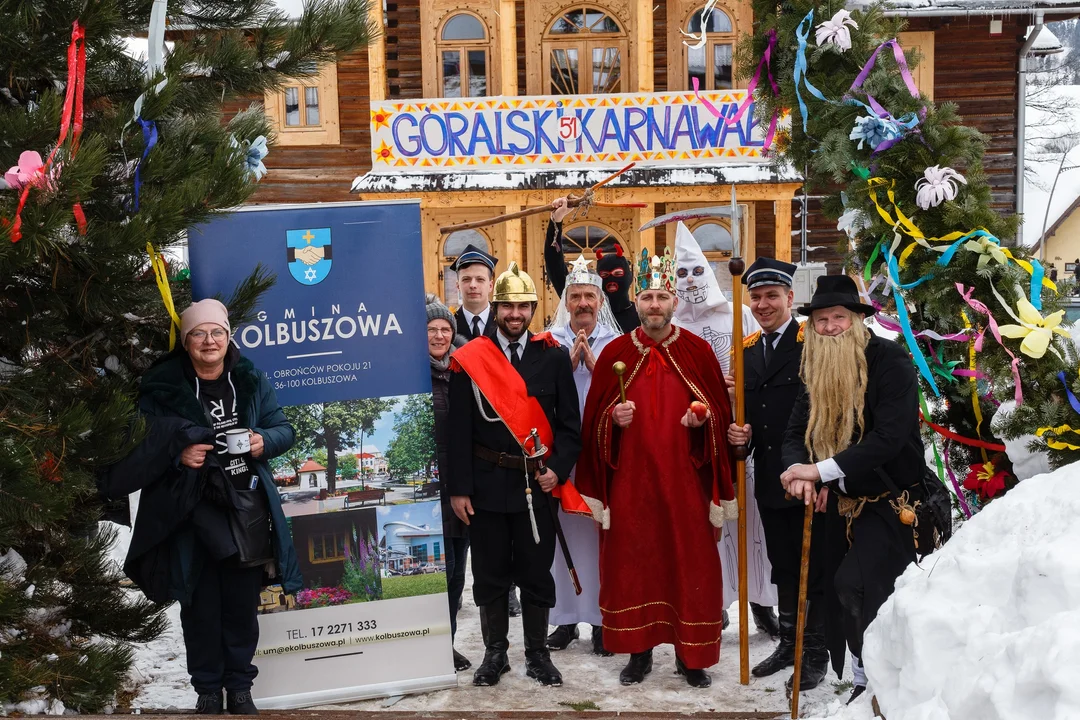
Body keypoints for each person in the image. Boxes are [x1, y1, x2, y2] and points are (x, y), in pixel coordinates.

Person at [100, 299, 300, 715]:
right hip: (188, 511)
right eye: (199, 334)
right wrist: (178, 454)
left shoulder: (251, 379)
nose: (209, 341)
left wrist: (266, 440)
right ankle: (208, 688)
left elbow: (284, 427)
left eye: (217, 333)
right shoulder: (162, 387)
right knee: (200, 605)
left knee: (242, 606)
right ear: (187, 342)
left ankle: (240, 687)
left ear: (229, 338)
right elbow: (140, 444)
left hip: (244, 507)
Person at [576, 250, 737, 689]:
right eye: (646, 296)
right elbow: (593, 423)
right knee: (634, 564)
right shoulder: (615, 353)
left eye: (662, 297)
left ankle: (692, 656)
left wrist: (703, 421)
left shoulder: (697, 351)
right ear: (637, 300)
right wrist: (614, 420)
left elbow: (720, 414)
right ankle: (638, 651)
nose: (653, 305)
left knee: (691, 565)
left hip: (686, 483)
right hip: (632, 483)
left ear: (674, 302)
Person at [780, 275, 924, 703]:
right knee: (835, 591)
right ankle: (864, 674)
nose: (828, 328)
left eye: (838, 318)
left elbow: (889, 438)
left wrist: (820, 471)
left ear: (859, 320)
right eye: (821, 320)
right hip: (841, 501)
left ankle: (878, 679)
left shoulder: (891, 361)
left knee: (860, 586)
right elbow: (794, 431)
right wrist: (794, 468)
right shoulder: (813, 365)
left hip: (890, 499)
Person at [446, 263, 582, 687]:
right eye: (507, 305)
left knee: (535, 572)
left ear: (533, 308)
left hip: (535, 484)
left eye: (523, 305)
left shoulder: (554, 357)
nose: (515, 313)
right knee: (488, 574)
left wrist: (557, 471)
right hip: (486, 485)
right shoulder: (469, 360)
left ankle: (538, 655)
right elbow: (458, 433)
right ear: (496, 307)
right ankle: (495, 654)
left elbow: (569, 428)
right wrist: (460, 490)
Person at [726, 258, 833, 693]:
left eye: (773, 296)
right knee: (784, 568)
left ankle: (816, 652)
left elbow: (827, 414)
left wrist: (824, 475)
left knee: (815, 567)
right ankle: (789, 643)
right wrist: (740, 438)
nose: (763, 304)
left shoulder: (815, 344)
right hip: (772, 478)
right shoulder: (747, 351)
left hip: (810, 479)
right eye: (756, 297)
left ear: (791, 298)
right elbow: (754, 422)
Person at [669, 222, 777, 638]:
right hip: (693, 437)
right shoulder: (671, 323)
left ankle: (761, 600)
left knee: (750, 522)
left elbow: (760, 366)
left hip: (737, 435)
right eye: (682, 274)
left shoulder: (740, 313)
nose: (691, 281)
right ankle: (714, 602)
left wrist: (741, 385)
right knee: (707, 526)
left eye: (697, 271)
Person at [543, 255, 622, 656]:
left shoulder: (616, 343)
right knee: (563, 541)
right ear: (566, 302)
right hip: (563, 457)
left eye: (589, 295)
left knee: (601, 539)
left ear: (599, 300)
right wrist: (565, 367)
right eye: (575, 296)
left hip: (604, 455)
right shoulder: (550, 342)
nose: (583, 303)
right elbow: (535, 397)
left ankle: (603, 620)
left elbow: (629, 397)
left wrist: (596, 369)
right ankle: (566, 620)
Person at [426, 293, 472, 672]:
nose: (439, 335)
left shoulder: (461, 372)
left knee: (456, 576)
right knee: (435, 575)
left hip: (458, 487)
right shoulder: (410, 374)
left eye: (445, 329)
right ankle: (424, 646)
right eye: (431, 329)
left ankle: (446, 643)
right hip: (427, 493)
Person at [545, 197, 639, 332]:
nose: (612, 281)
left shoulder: (642, 314)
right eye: (605, 275)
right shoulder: (584, 306)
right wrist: (556, 220)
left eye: (618, 274)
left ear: (629, 277)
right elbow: (554, 264)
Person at [452, 243, 499, 341]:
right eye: (466, 279)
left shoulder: (504, 321)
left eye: (480, 279)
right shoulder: (449, 324)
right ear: (458, 286)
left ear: (490, 286)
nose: (473, 285)